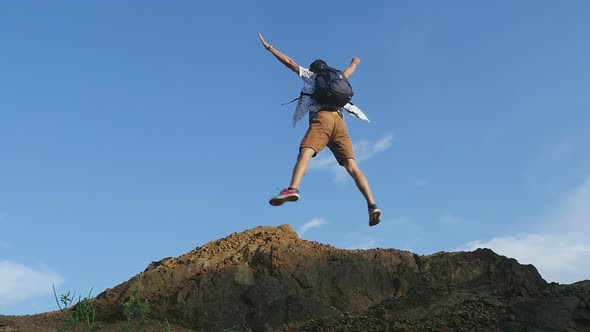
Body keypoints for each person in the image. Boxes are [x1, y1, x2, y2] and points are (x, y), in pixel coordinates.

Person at [258, 33, 382, 227]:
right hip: (340, 122)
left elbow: (289, 62)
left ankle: (293, 188)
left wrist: (270, 48)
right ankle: (372, 205)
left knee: (305, 153)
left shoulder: (312, 77)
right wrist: (355, 63)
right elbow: (350, 71)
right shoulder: (339, 75)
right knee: (352, 166)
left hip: (322, 120)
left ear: (314, 69)